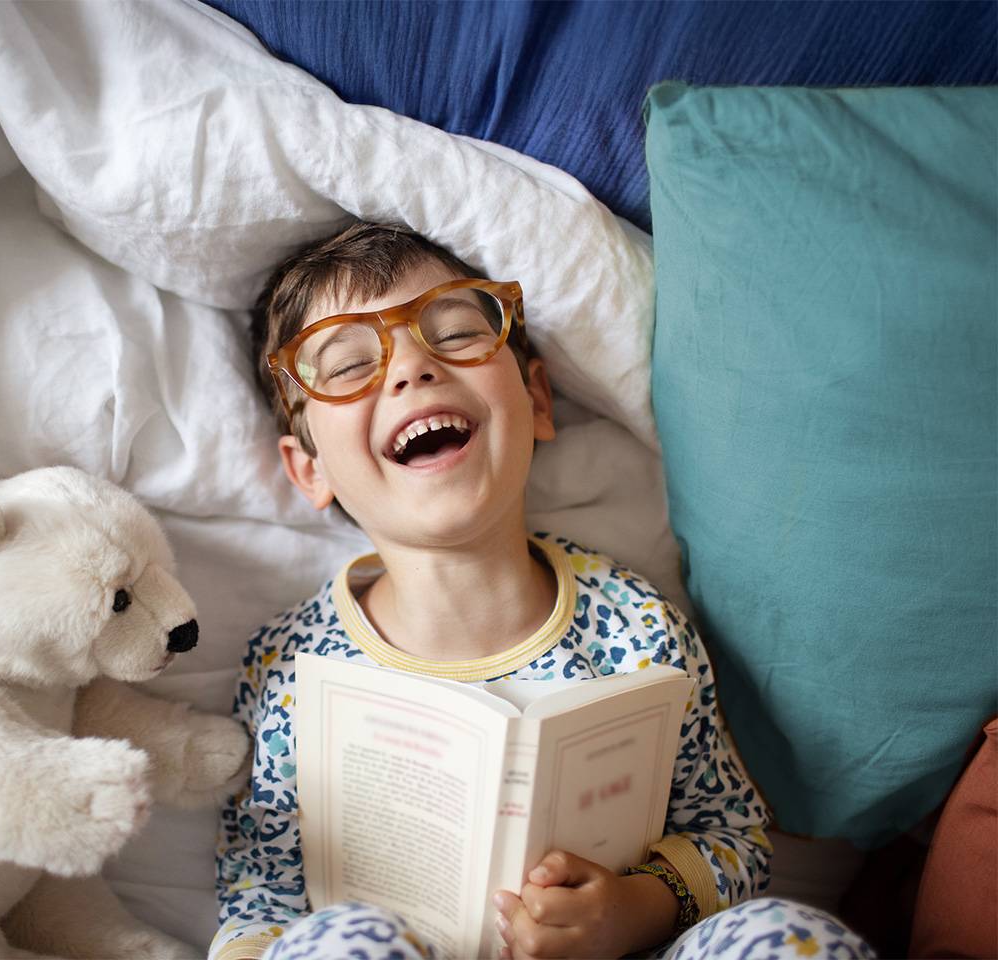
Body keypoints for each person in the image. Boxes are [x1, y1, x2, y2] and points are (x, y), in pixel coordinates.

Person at [211, 222, 873, 960]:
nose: (412, 368)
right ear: (310, 471)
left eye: (455, 333)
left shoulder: (636, 626)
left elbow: (731, 840)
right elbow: (258, 898)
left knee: (786, 936)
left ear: (537, 399)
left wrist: (631, 909)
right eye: (347, 365)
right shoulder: (291, 666)